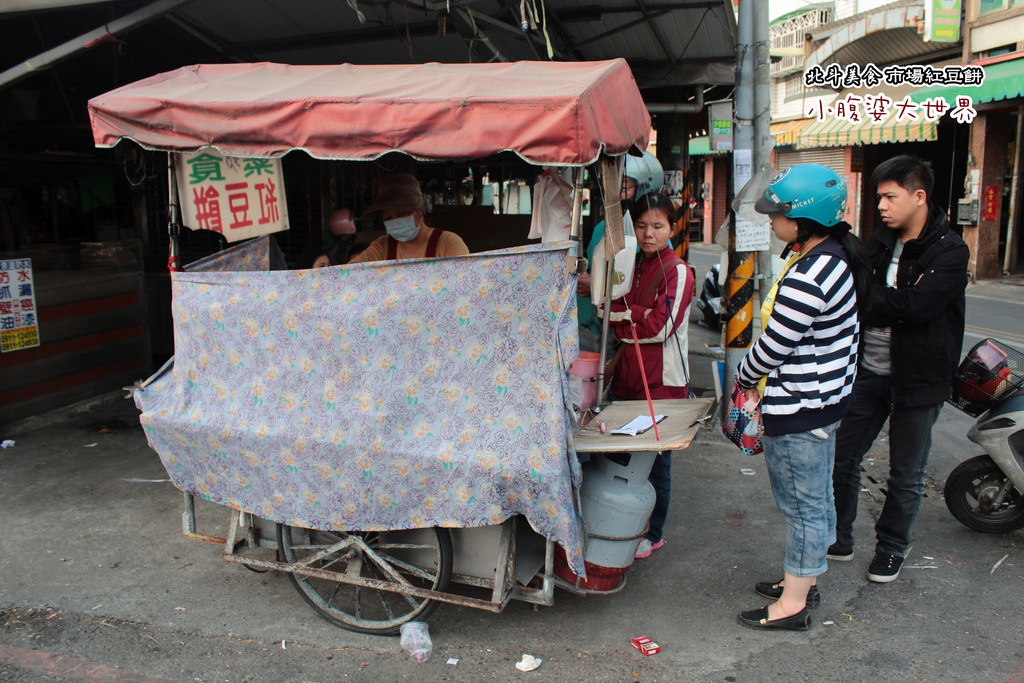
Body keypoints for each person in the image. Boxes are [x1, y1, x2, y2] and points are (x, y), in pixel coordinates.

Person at [734, 164, 870, 631]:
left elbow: (774, 345)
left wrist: (744, 378)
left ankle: (791, 606)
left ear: (802, 219)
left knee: (804, 507)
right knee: (818, 500)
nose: (771, 223)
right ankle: (802, 581)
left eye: (777, 215)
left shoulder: (812, 273)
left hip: (799, 407)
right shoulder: (835, 256)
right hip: (824, 403)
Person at [829, 154, 969, 583]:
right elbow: (858, 289)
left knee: (906, 474)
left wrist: (875, 303)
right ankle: (839, 536)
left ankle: (891, 548)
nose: (882, 206)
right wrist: (888, 306)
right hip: (868, 372)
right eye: (879, 198)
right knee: (843, 457)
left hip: (919, 380)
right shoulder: (878, 241)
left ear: (919, 196)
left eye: (890, 197)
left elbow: (919, 306)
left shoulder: (950, 250)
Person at [598, 191, 694, 560]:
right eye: (641, 226)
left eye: (657, 226)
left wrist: (626, 317)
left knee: (655, 463)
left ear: (672, 226)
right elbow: (607, 307)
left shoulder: (679, 271)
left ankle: (653, 533)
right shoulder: (629, 263)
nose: (649, 233)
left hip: (662, 384)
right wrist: (632, 314)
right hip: (626, 378)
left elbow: (659, 327)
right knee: (621, 457)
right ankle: (622, 523)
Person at [349, 173, 469, 263]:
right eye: (388, 217)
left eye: (402, 214)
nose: (396, 220)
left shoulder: (448, 244)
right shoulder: (382, 247)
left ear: (422, 210)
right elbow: (349, 274)